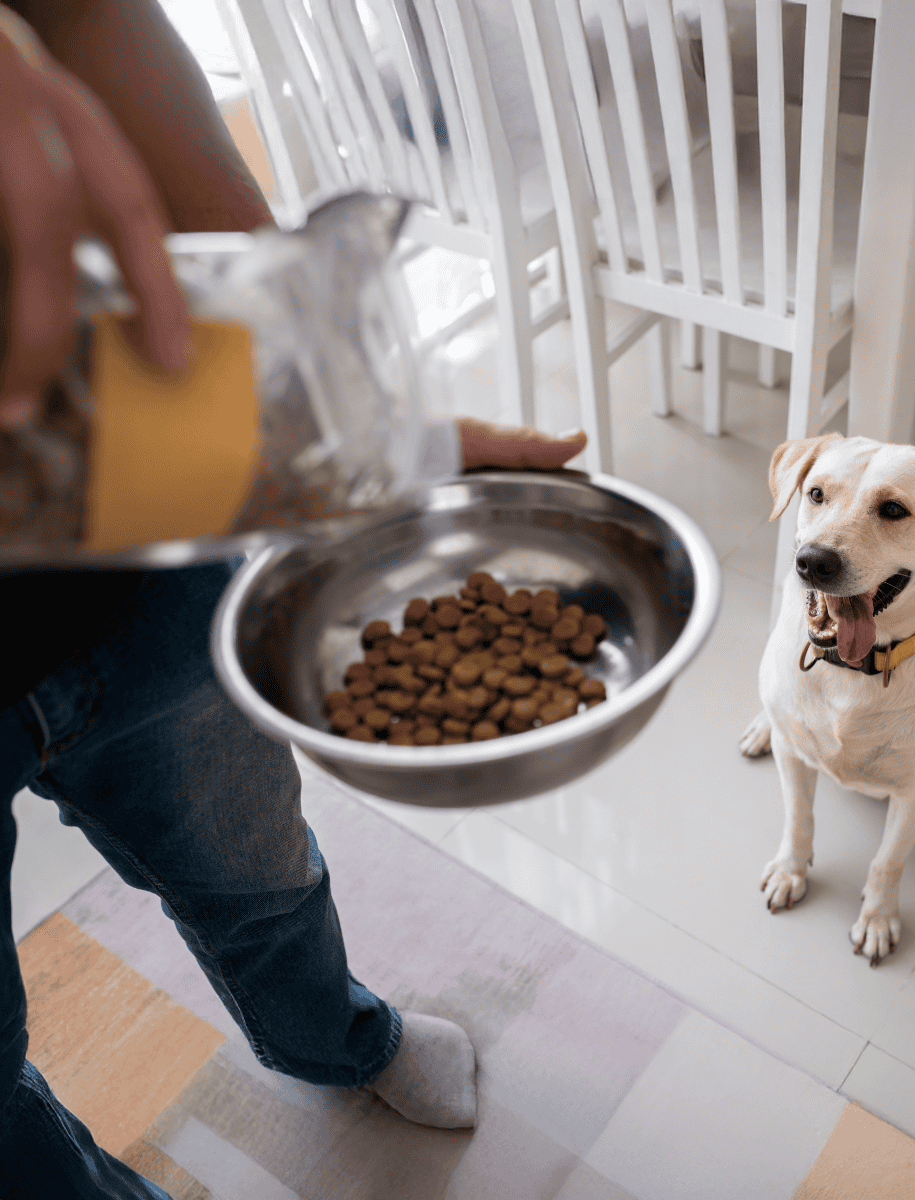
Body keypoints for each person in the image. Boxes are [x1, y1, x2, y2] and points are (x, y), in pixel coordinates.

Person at [0, 4, 585, 1196]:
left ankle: (337, 1038)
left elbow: (93, 19)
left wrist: (327, 417)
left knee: (257, 869)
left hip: (137, 571)